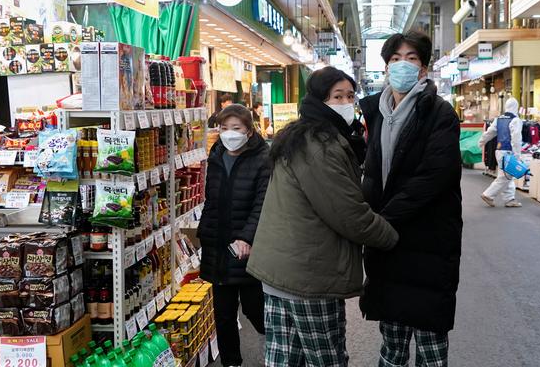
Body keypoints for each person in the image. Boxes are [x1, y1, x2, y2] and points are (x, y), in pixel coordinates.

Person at [247, 67, 399, 367]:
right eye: (336, 96)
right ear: (319, 100)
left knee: (284, 360)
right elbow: (349, 214)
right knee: (325, 359)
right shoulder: (321, 146)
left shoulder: (303, 135)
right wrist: (391, 236)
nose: (345, 102)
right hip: (309, 277)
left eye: (350, 96)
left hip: (281, 271)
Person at [358, 31, 462, 367]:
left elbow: (435, 176)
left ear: (423, 68)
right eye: (395, 59)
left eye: (412, 58)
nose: (403, 65)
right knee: (392, 344)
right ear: (386, 67)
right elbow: (369, 174)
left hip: (427, 240)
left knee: (431, 343)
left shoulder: (439, 113)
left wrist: (382, 220)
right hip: (387, 246)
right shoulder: (374, 113)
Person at [198, 105, 269, 367]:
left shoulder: (263, 159)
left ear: (249, 131)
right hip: (218, 246)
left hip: (247, 249)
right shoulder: (216, 156)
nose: (229, 134)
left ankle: (273, 349)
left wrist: (247, 237)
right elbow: (210, 200)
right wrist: (204, 232)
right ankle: (231, 362)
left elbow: (262, 204)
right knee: (224, 315)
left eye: (236, 128)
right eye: (224, 128)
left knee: (254, 308)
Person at [479, 97, 524, 208]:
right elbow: (516, 139)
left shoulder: (499, 119)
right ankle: (488, 194)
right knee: (505, 176)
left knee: (507, 175)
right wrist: (517, 155)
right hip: (509, 151)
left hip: (499, 150)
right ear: (516, 107)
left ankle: (510, 199)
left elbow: (490, 132)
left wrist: (481, 141)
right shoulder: (515, 120)